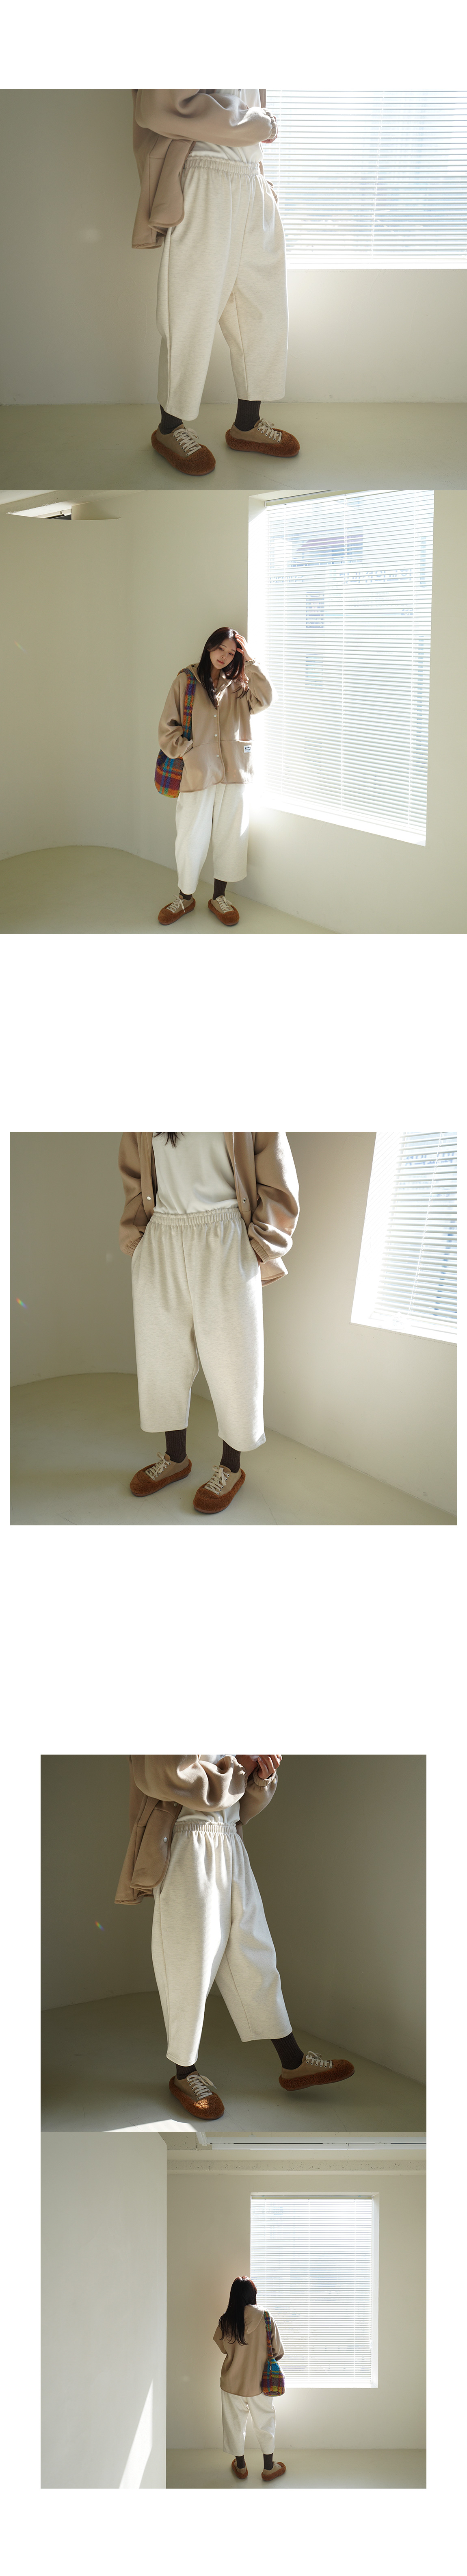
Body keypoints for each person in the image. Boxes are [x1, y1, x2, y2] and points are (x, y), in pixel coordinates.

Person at [115, 1755, 355, 2116]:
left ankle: (293, 2062)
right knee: (189, 1965)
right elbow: (167, 1776)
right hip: (187, 1843)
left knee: (254, 1953)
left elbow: (241, 1808)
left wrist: (261, 1778)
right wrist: (239, 1768)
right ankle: (185, 2073)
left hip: (230, 1843)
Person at [118, 1131, 300, 1513]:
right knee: (162, 1358)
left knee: (234, 1362)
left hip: (225, 1234)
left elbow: (278, 1179)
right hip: (162, 1235)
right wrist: (138, 1238)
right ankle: (175, 1459)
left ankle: (231, 1468)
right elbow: (134, 1173)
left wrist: (261, 1244)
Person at [131, 89, 300, 475]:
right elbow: (157, 110)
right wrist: (260, 124)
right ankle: (169, 429)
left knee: (264, 309)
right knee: (189, 310)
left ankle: (247, 425)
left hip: (252, 180)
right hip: (205, 175)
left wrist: (258, 168)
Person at [156, 628, 273, 926]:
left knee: (231, 835)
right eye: (221, 648)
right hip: (198, 772)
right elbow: (168, 727)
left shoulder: (240, 685)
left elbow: (265, 700)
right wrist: (189, 753)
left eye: (232, 653)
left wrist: (250, 662)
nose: (225, 656)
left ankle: (219, 897)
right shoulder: (186, 681)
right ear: (209, 647)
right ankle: (185, 898)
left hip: (235, 771)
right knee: (190, 836)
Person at [214, 2276, 285, 2483]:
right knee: (265, 2424)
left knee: (234, 2425)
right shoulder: (266, 2317)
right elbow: (278, 2351)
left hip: (232, 2384)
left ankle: (241, 2467)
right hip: (260, 2384)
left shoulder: (226, 2320)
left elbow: (223, 2349)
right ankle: (269, 2469)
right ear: (252, 2295)